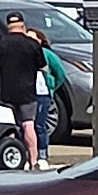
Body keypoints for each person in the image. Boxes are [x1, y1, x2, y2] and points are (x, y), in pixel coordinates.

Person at [0, 11, 46, 168]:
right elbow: (43, 66)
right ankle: (33, 160)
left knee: (9, 125)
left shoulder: (0, 44)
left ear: (8, 26)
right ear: (23, 25)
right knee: (28, 125)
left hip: (7, 92)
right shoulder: (33, 44)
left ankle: (14, 157)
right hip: (28, 92)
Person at [27, 28, 68, 170]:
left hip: (42, 94)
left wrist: (51, 87)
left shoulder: (47, 54)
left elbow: (60, 73)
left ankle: (42, 155)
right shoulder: (24, 53)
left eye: (33, 38)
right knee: (27, 126)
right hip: (26, 93)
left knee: (40, 125)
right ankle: (29, 154)